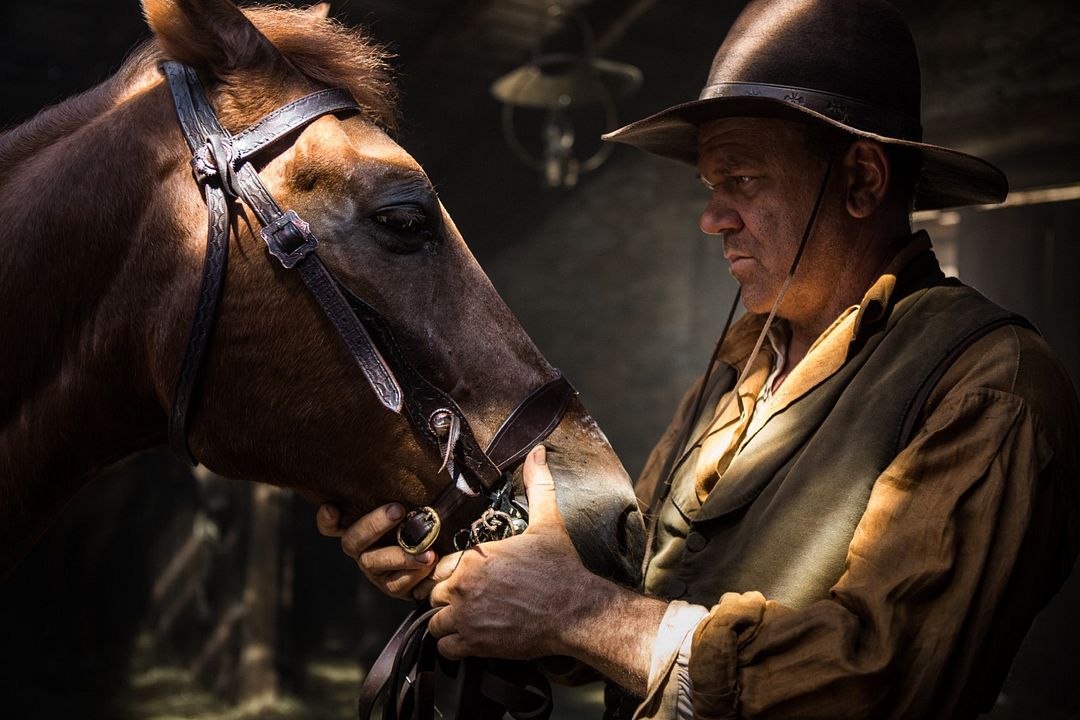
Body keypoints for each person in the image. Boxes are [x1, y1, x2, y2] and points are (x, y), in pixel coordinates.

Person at [318, 0, 1080, 717]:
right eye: (711, 186)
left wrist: (579, 612)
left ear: (861, 180)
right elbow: (622, 606)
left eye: (742, 180)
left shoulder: (989, 385)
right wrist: (455, 566)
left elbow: (882, 682)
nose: (713, 218)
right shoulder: (747, 357)